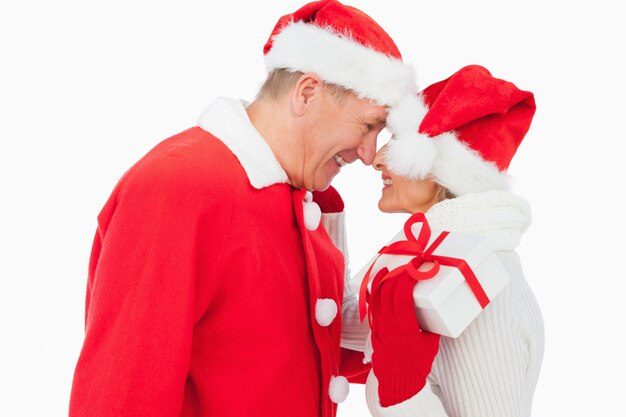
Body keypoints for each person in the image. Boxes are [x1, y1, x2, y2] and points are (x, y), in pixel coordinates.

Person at [68, 1, 424, 416]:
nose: (368, 154)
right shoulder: (178, 187)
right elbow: (122, 396)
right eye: (368, 126)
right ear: (307, 93)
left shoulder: (297, 195)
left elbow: (290, 355)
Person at [357, 65, 545, 417]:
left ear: (441, 169)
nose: (377, 159)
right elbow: (347, 331)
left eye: (398, 143)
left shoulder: (482, 292)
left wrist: (403, 393)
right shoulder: (438, 265)